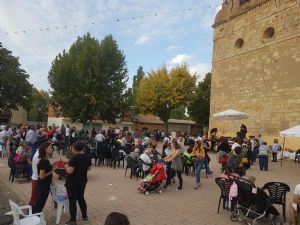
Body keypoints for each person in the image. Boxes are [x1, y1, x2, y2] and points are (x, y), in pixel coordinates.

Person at [65, 141, 92, 225]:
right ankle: (85, 217)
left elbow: (70, 171)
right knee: (81, 198)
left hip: (72, 183)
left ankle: (73, 221)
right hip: (82, 181)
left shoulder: (74, 158)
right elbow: (89, 168)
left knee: (72, 201)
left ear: (74, 149)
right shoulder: (87, 156)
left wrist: (66, 166)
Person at [33, 142, 55, 213]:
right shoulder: (44, 161)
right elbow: (41, 176)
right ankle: (35, 219)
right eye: (50, 147)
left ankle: (34, 217)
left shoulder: (44, 159)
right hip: (43, 186)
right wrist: (52, 171)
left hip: (43, 185)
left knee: (38, 203)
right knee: (39, 205)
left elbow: (44, 169)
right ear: (45, 149)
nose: (52, 149)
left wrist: (51, 166)